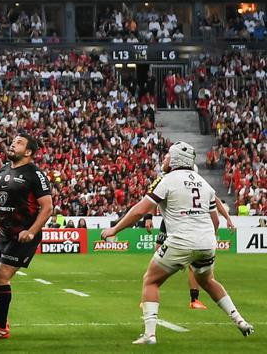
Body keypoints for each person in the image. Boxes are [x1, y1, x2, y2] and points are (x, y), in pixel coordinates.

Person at [101, 142, 254, 345]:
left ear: (174, 160)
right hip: (207, 241)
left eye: (166, 156)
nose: (164, 159)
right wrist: (207, 240)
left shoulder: (166, 180)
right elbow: (215, 221)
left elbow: (139, 210)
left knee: (150, 280)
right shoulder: (204, 183)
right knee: (208, 281)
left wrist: (114, 229)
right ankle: (240, 320)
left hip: (181, 240)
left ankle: (150, 334)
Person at [0, 134, 53, 340]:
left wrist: (32, 231)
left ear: (28, 152)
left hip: (22, 234)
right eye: (13, 141)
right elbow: (1, 201)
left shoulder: (35, 175)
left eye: (19, 143)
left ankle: (1, 327)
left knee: (2, 275)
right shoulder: (4, 170)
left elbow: (47, 207)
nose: (13, 144)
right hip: (4, 232)